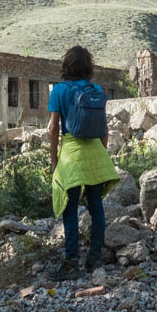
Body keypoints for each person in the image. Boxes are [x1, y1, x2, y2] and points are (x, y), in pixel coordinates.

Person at [46, 45, 119, 279]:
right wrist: (101, 154)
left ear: (66, 65)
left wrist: (54, 160)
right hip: (96, 153)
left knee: (70, 208)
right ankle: (94, 259)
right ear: (89, 66)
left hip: (72, 154)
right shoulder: (95, 88)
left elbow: (53, 128)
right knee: (96, 207)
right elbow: (104, 129)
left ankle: (71, 263)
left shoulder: (59, 90)